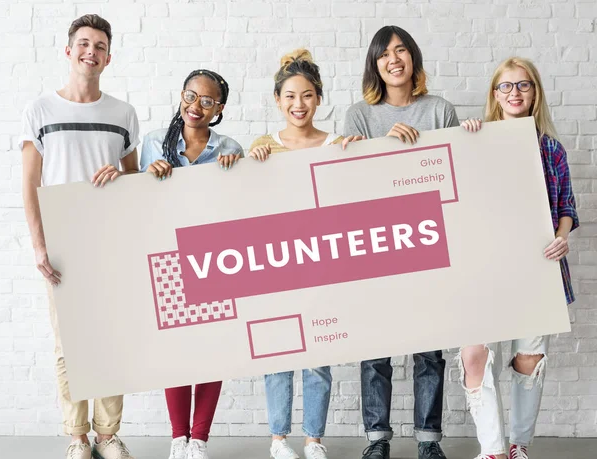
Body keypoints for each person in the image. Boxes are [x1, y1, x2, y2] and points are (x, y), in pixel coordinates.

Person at [20, 14, 139, 459]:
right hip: (62, 243)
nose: (92, 51)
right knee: (69, 344)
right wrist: (38, 244)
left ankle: (108, 434)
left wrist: (119, 178)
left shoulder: (122, 113)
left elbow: (133, 184)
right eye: (84, 43)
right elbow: (30, 182)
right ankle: (78, 436)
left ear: (109, 57)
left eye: (101, 45)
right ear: (69, 51)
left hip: (108, 242)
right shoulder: (40, 111)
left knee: (109, 338)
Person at [343, 25, 460, 459]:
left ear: (414, 57)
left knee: (429, 349)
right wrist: (384, 149)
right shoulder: (360, 114)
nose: (394, 59)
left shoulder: (439, 109)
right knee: (376, 349)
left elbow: (453, 175)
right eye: (384, 54)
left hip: (428, 241)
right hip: (374, 243)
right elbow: (348, 184)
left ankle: (429, 441)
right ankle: (378, 441)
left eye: (401, 50)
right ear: (374, 65)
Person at [458, 57, 579, 459]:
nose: (514, 93)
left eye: (523, 85)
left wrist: (562, 237)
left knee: (529, 357)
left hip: (538, 266)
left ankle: (517, 447)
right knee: (474, 353)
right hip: (485, 267)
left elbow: (566, 209)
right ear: (494, 95)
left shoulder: (551, 149)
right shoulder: (475, 140)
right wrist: (467, 141)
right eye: (506, 86)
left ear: (535, 92)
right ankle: (491, 449)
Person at [249, 49, 362, 459]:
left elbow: (352, 202)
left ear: (319, 98)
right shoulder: (263, 146)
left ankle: (314, 438)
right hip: (277, 265)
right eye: (291, 96)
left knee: (319, 357)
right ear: (277, 100)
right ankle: (279, 439)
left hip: (323, 264)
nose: (299, 105)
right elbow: (248, 208)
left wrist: (356, 157)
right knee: (278, 357)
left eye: (308, 96)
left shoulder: (337, 144)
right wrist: (252, 165)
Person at [140, 68, 242, 459]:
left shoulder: (229, 147)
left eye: (207, 100)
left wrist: (237, 175)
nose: (195, 106)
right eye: (190, 95)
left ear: (219, 108)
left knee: (211, 352)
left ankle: (199, 440)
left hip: (215, 260)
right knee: (176, 354)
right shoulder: (153, 143)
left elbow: (242, 209)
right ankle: (177, 438)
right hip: (167, 259)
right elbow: (134, 204)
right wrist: (147, 176)